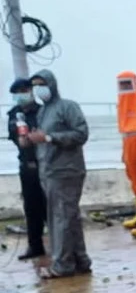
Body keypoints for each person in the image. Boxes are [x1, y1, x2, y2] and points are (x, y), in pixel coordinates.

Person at [27, 70, 93, 278]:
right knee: (68, 217)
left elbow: (81, 134)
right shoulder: (42, 112)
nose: (38, 89)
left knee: (61, 218)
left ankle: (62, 264)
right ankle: (80, 260)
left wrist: (49, 138)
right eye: (35, 86)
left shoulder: (68, 107)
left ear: (52, 84)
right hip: (49, 171)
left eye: (42, 84)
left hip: (66, 170)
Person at [7, 78, 46, 259]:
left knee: (50, 207)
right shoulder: (14, 115)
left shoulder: (43, 111)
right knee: (31, 208)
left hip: (45, 165)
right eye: (17, 93)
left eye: (24, 91)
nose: (21, 95)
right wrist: (24, 139)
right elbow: (16, 138)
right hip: (27, 165)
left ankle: (60, 246)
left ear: (31, 91)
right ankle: (35, 246)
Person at [114, 72, 136, 235]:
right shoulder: (121, 103)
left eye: (127, 83)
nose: (125, 87)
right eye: (122, 84)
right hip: (129, 147)